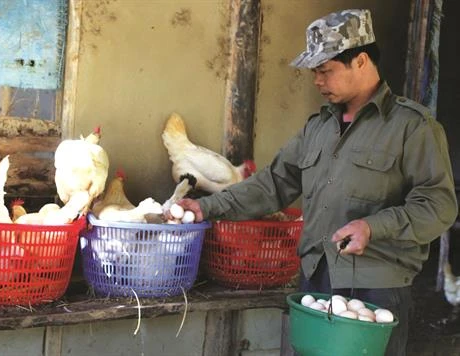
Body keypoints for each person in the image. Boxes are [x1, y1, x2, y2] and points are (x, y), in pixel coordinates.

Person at [176, 8, 458, 356]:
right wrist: (204, 207)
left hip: (376, 287)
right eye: (315, 72)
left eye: (325, 70)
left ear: (361, 61)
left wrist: (373, 227)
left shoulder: (412, 127)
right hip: (316, 279)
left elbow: (440, 205)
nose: (317, 81)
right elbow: (273, 184)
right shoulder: (318, 128)